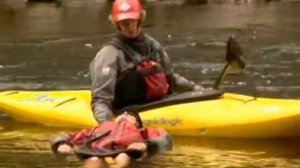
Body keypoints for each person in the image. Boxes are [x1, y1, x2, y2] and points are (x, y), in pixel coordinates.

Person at [89, 0, 204, 124]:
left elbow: (171, 79)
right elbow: (100, 100)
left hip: (161, 104)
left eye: (133, 21)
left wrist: (199, 91)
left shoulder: (152, 45)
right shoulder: (109, 54)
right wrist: (106, 124)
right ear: (117, 24)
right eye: (125, 23)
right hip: (129, 113)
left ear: (140, 19)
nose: (130, 27)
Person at [50, 112, 172, 168]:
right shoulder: (99, 128)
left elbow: (166, 140)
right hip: (97, 151)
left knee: (123, 157)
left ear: (137, 122)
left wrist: (147, 145)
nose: (125, 115)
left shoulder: (143, 131)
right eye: (122, 114)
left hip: (126, 151)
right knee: (94, 160)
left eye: (130, 115)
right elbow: (67, 136)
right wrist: (61, 144)